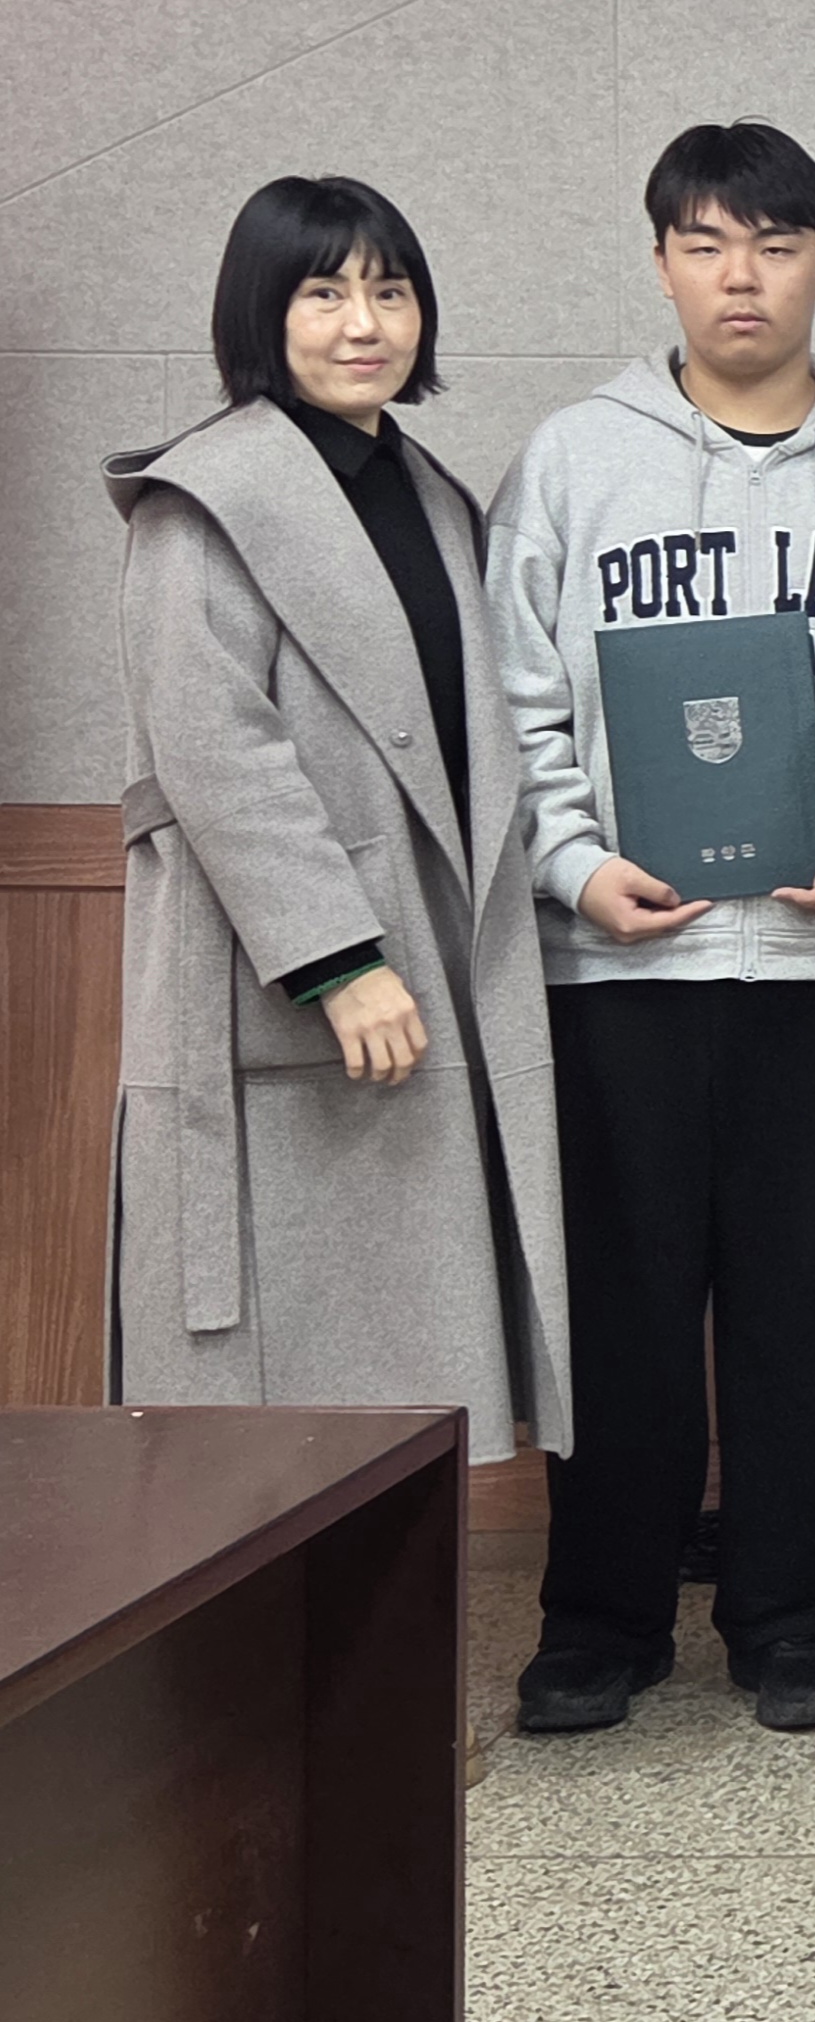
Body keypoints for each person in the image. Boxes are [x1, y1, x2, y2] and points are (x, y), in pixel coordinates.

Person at [484, 123, 815, 1736]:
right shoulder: (573, 458)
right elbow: (518, 703)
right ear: (664, 262)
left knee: (805, 1300)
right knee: (618, 1304)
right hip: (621, 956)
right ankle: (599, 1621)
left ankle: (795, 1621)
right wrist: (568, 865)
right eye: (703, 242)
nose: (738, 275)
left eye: (772, 243)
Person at [107, 176, 571, 1459]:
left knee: (399, 1390)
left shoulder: (426, 489)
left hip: (436, 953)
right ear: (264, 312)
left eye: (389, 288)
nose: (364, 322)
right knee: (268, 1400)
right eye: (323, 292)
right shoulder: (203, 498)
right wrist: (339, 959)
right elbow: (213, 750)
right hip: (289, 983)